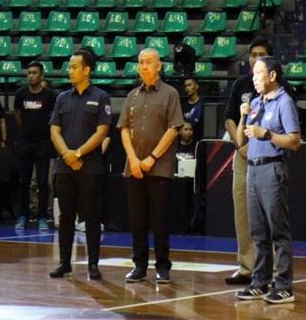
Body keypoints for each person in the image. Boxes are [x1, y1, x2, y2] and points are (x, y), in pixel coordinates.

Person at [234, 56, 301, 304]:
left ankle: (283, 286)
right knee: (258, 231)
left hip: (273, 169)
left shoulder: (285, 103)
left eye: (258, 73)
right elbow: (241, 140)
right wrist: (243, 117)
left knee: (278, 231)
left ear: (272, 76)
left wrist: (268, 134)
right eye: (253, 74)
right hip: (252, 168)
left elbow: (295, 141)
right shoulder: (255, 102)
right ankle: (259, 282)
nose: (254, 78)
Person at [118, 48, 184, 284]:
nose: (144, 66)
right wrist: (134, 159)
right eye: (141, 62)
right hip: (134, 167)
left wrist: (152, 158)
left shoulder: (170, 94)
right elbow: (124, 128)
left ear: (159, 66)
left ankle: (163, 266)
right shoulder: (132, 96)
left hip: (159, 167)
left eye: (149, 62)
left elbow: (174, 128)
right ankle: (139, 266)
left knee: (159, 219)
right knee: (137, 220)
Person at [49, 50, 112, 280]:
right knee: (66, 216)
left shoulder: (101, 96)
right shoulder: (62, 98)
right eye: (69, 67)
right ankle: (64, 262)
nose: (70, 71)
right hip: (65, 167)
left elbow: (102, 131)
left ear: (87, 70)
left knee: (92, 217)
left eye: (74, 67)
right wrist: (67, 154)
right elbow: (54, 130)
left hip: (90, 167)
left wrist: (77, 153)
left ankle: (93, 264)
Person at [223, 37, 272, 285]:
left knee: (268, 214)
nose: (255, 58)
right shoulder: (241, 84)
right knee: (242, 213)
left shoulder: (279, 87)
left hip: (269, 158)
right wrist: (240, 144)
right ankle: (246, 267)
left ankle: (271, 271)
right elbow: (229, 119)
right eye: (253, 54)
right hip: (242, 157)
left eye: (261, 54)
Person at [14, 61, 57, 231]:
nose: (31, 75)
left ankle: (42, 217)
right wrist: (26, 130)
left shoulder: (49, 95)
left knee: (42, 182)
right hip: (25, 143)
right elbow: (17, 114)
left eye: (35, 73)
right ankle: (23, 215)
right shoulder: (20, 93)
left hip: (43, 144)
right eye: (29, 72)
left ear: (41, 75)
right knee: (23, 181)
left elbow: (53, 117)